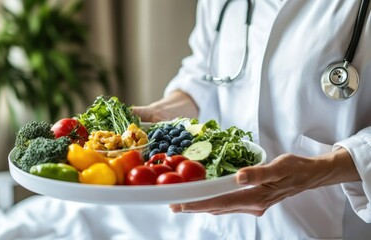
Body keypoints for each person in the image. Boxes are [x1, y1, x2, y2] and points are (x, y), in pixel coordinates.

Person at [132, 0, 371, 239]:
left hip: (325, 226)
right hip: (219, 227)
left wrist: (322, 169)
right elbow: (204, 70)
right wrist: (163, 112)